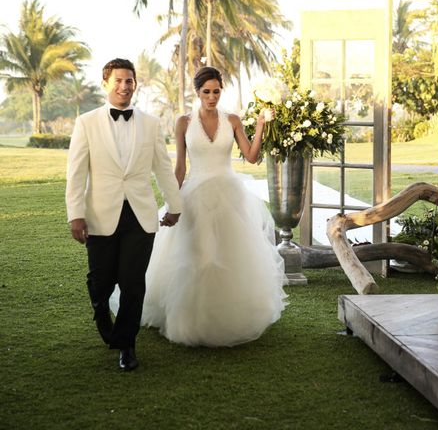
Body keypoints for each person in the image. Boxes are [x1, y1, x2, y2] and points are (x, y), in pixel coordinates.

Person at [141, 66, 287, 347]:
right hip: (194, 196)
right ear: (197, 92)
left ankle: (226, 319)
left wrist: (260, 126)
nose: (211, 97)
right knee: (200, 257)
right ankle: (189, 323)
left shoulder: (232, 119)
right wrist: (173, 201)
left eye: (216, 91)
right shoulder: (184, 122)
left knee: (230, 258)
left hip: (229, 196)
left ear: (222, 91)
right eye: (206, 92)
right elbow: (181, 166)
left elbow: (252, 156)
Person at [65, 58, 182, 371]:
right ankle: (102, 312)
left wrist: (175, 205)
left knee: (133, 283)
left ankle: (126, 346)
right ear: (106, 83)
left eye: (129, 81)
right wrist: (76, 214)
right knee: (100, 282)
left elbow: (163, 168)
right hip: (100, 214)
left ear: (135, 84)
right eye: (118, 81)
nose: (124, 86)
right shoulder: (86, 123)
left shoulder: (152, 124)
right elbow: (76, 173)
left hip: (140, 216)